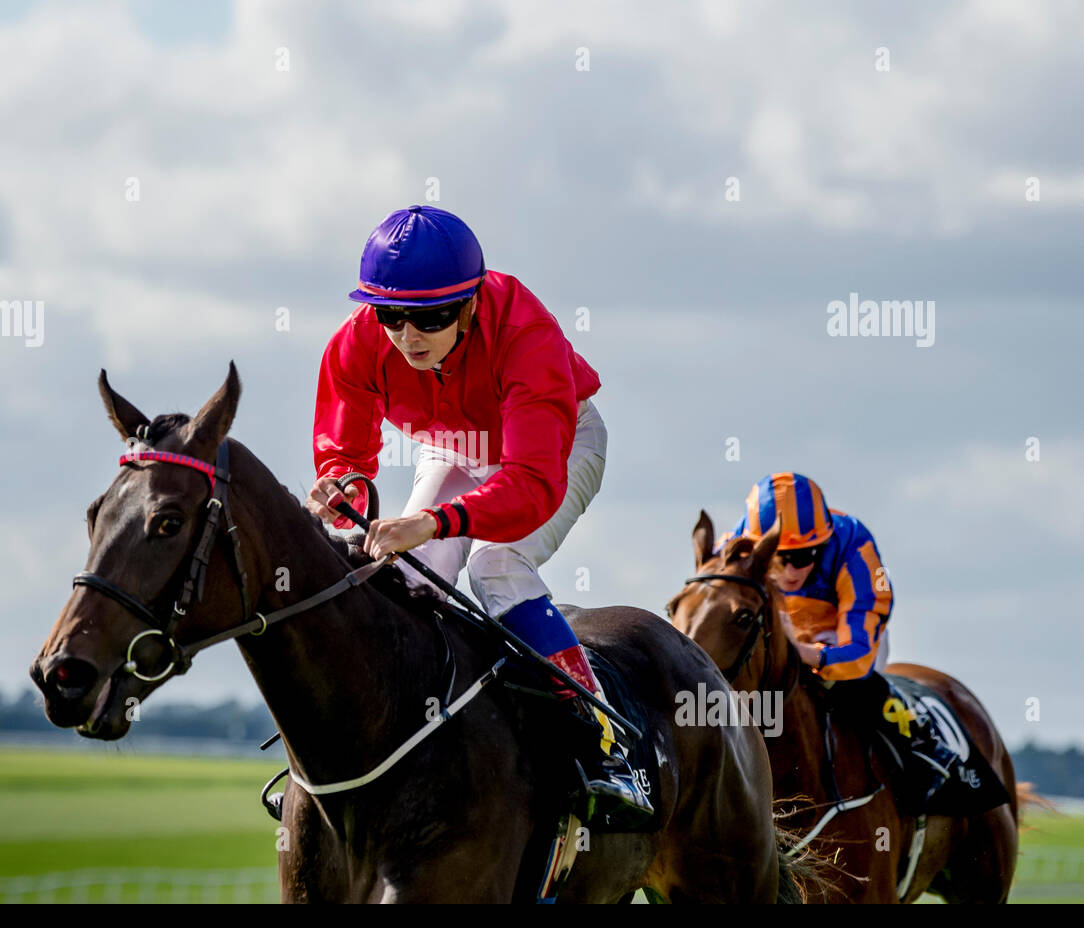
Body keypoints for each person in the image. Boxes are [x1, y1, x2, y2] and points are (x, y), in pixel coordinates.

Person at [305, 204, 653, 823]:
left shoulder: (525, 332)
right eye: (391, 317)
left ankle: (605, 743)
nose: (408, 338)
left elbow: (529, 486)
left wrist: (434, 520)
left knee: (496, 566)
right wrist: (342, 491)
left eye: (430, 319)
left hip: (557, 447)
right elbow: (345, 456)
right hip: (458, 445)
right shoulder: (357, 343)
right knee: (410, 573)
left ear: (469, 304)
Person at [718, 472, 957, 808]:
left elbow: (859, 652)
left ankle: (921, 747)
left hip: (839, 637)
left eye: (803, 556)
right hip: (779, 632)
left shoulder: (855, 547)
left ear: (823, 543)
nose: (789, 571)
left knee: (847, 687)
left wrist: (806, 654)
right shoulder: (734, 546)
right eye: (777, 558)